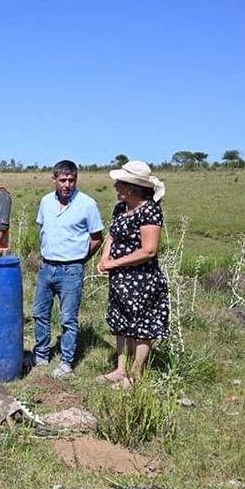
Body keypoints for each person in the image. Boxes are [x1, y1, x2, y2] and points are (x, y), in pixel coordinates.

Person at [96, 160, 169, 389]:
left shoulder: (150, 211)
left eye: (119, 183)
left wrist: (114, 262)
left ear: (131, 187)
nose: (115, 186)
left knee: (142, 326)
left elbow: (149, 250)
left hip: (142, 279)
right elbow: (112, 235)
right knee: (121, 321)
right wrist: (104, 259)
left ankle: (135, 375)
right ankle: (120, 369)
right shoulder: (121, 208)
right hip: (120, 278)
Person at [32, 160, 104, 379]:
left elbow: (97, 238)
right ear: (54, 180)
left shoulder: (87, 204)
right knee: (40, 313)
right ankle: (41, 355)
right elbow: (43, 230)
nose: (67, 185)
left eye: (71, 180)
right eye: (62, 180)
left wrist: (81, 259)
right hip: (47, 267)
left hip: (71, 269)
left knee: (68, 319)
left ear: (76, 180)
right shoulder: (46, 201)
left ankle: (66, 362)